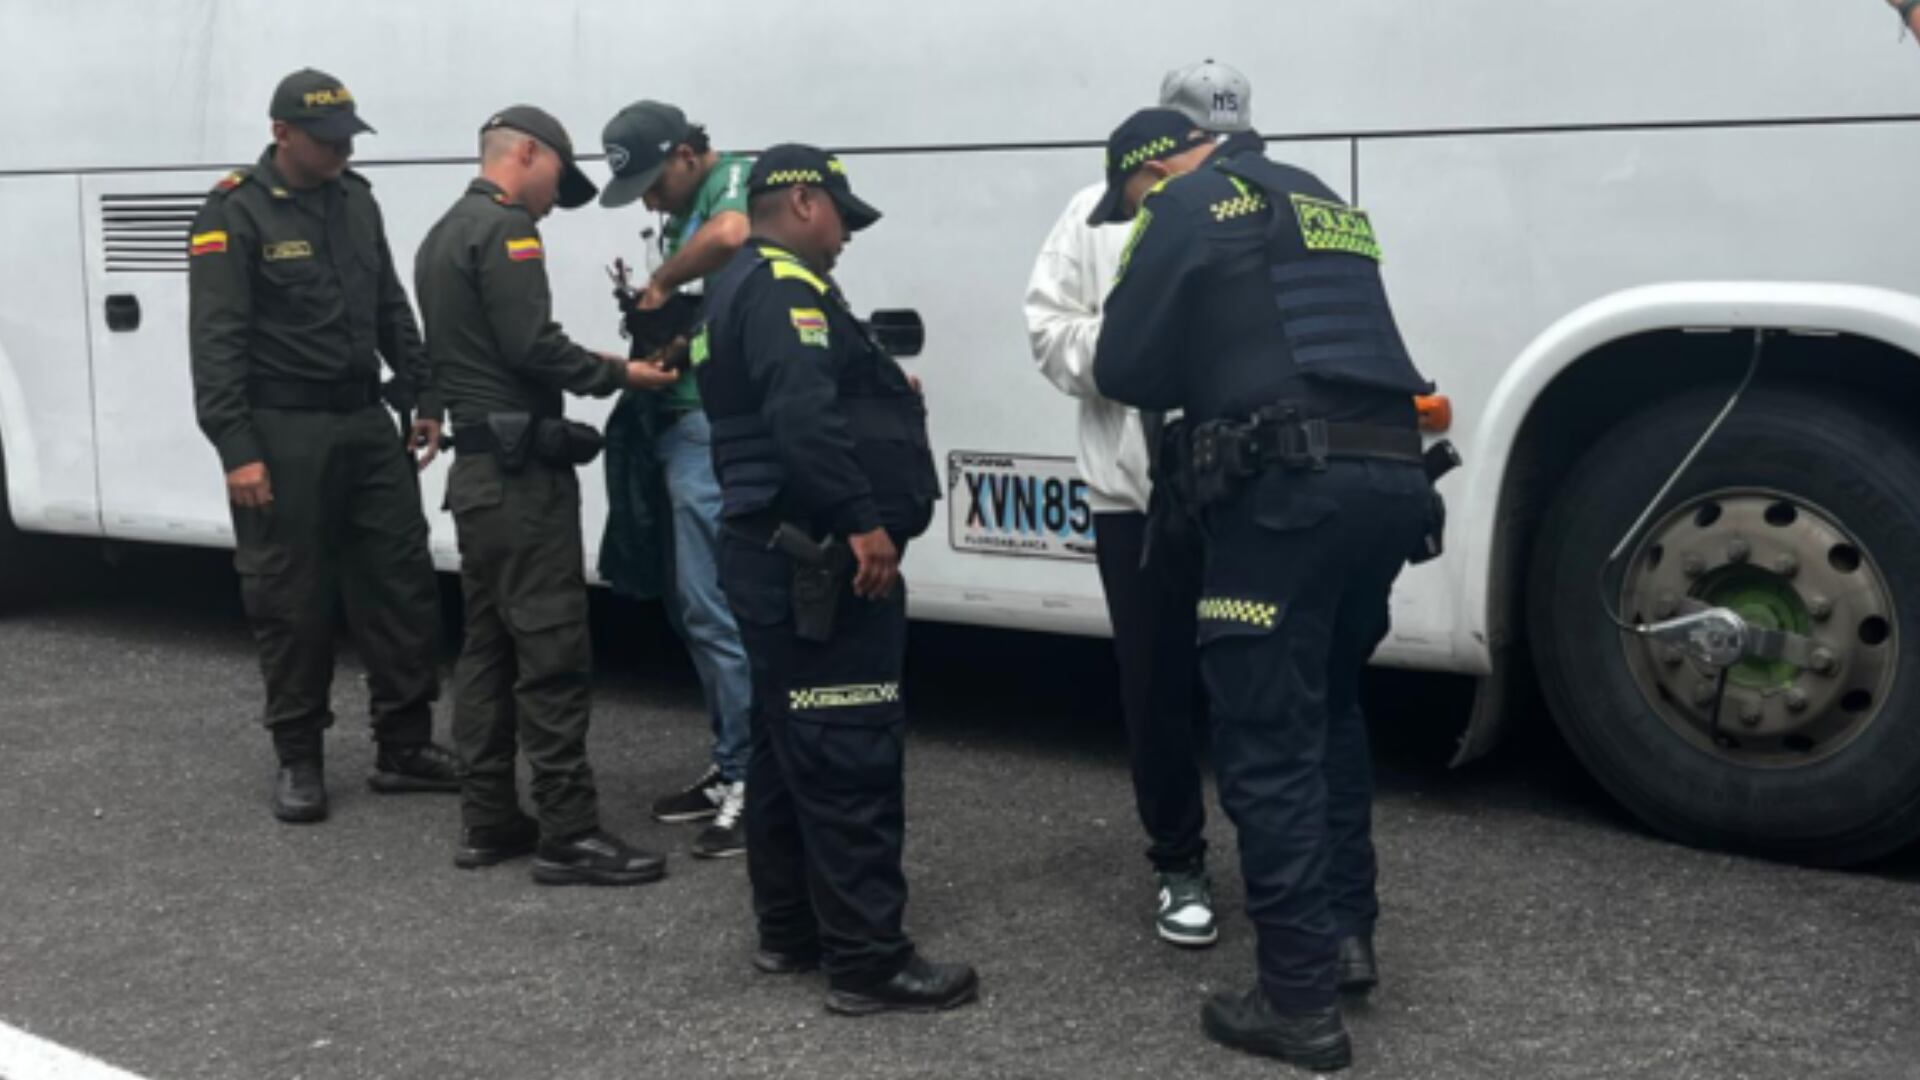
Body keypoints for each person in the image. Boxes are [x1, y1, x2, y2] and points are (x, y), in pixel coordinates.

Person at [1091, 108, 1438, 1071]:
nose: (1133, 213)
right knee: (1327, 713)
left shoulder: (1187, 200)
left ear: (1150, 169)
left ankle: (1297, 1003)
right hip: (1389, 487)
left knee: (1265, 737)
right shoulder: (1316, 194)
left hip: (1284, 501)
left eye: (1128, 200)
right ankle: (1342, 937)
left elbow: (1124, 365)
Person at [694, 144, 977, 1014]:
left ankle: (791, 930)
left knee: (787, 747)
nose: (848, 237)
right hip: (818, 555)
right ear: (805, 201)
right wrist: (863, 523)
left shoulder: (737, 284)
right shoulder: (785, 289)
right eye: (844, 218)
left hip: (773, 551)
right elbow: (802, 416)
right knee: (848, 746)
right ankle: (866, 962)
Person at [188, 68, 464, 825]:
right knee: (291, 600)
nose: (342, 148)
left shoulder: (356, 200)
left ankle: (404, 747)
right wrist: (236, 449)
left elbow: (389, 307)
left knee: (402, 587)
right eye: (327, 138)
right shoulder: (234, 212)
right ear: (282, 134)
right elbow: (215, 347)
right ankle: (299, 758)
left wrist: (424, 396)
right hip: (282, 434)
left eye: (349, 135)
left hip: (363, 427)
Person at [1024, 58, 1255, 951]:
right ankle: (1178, 862)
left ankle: (1273, 858)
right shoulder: (1094, 212)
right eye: (1203, 137)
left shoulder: (1255, 209)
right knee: (1155, 686)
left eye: (1227, 138)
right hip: (1134, 499)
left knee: (1253, 683)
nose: (1215, 153)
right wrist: (1139, 345)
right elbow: (1047, 329)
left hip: (1243, 493)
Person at [413, 105, 675, 885]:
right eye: (558, 175)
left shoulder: (441, 232)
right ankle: (569, 831)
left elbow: (480, 351)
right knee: (554, 652)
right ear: (526, 152)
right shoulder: (506, 232)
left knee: (487, 652)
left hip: (478, 480)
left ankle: (489, 818)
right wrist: (621, 373)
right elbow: (531, 347)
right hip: (524, 484)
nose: (556, 197)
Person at [597, 100, 755, 859]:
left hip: (714, 430)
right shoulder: (684, 206)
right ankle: (732, 763)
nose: (653, 202)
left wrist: (660, 283)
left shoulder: (736, 184)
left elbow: (733, 237)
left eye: (655, 184)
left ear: (688, 154)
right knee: (696, 608)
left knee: (719, 609)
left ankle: (756, 776)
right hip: (677, 423)